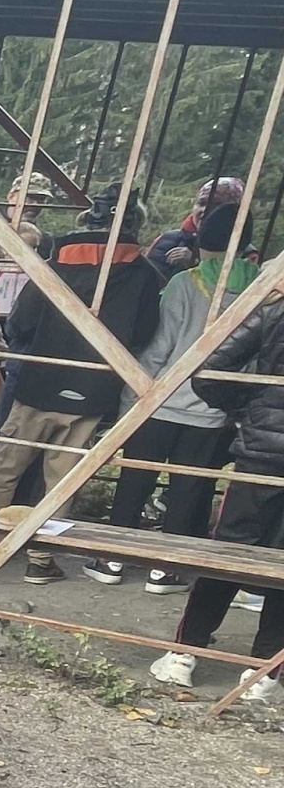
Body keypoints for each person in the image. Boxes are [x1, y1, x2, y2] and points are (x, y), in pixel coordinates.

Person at [0, 184, 161, 582]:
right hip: (94, 389)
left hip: (40, 380)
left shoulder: (55, 261)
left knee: (7, 467)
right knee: (61, 480)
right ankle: (42, 559)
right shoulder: (145, 275)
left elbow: (20, 321)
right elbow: (144, 333)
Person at [87, 204, 253, 594]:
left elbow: (159, 347)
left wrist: (133, 395)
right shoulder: (263, 290)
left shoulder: (185, 283)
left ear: (201, 241)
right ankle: (165, 569)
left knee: (135, 479)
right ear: (245, 245)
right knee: (187, 489)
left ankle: (113, 558)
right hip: (215, 410)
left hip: (162, 400)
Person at [149, 288, 284, 702]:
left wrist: (249, 409)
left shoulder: (275, 308)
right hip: (263, 444)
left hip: (261, 453)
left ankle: (184, 653)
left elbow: (210, 370)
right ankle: (264, 673)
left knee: (228, 553)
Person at [148, 177, 244, 278]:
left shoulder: (244, 253)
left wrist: (196, 263)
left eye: (216, 204)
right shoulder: (167, 239)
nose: (205, 210)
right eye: (201, 203)